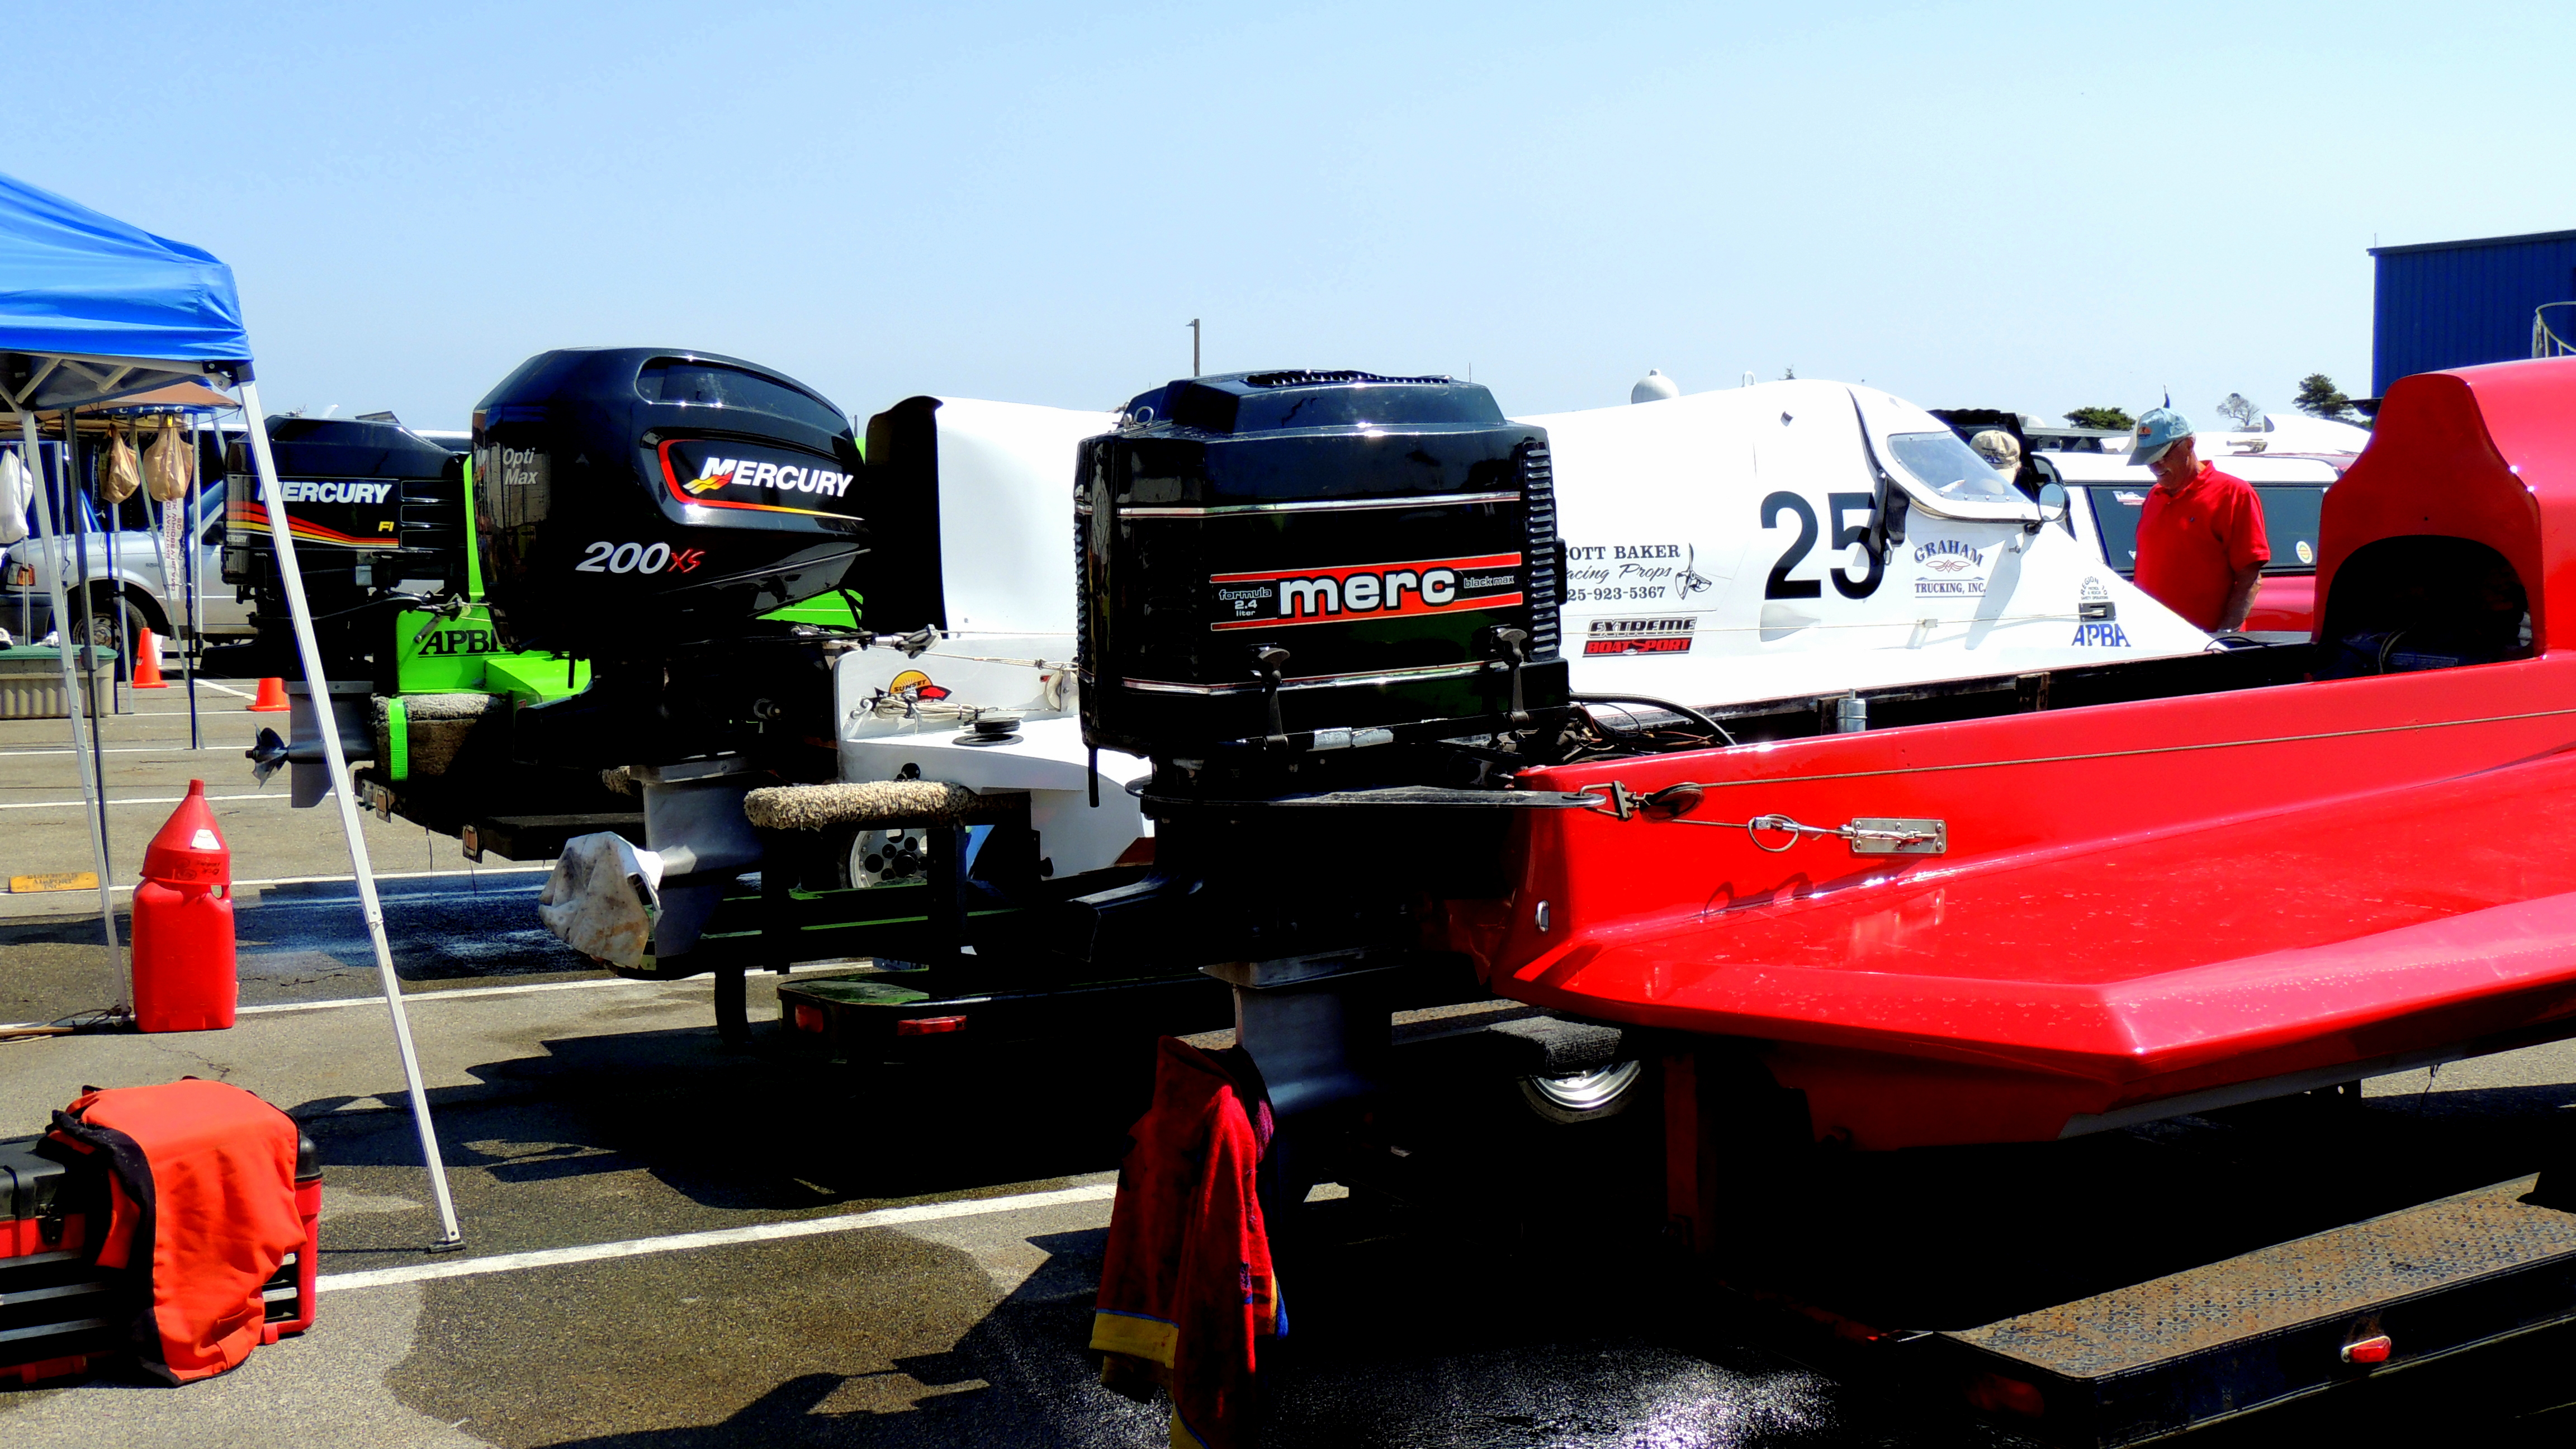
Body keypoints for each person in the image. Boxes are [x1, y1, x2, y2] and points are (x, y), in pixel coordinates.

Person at [2130, 408, 2267, 632]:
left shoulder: (2233, 493)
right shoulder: (2154, 496)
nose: (2156, 465)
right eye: (2149, 458)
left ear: (2189, 444)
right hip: (2153, 640)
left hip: (2204, 644)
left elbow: (2250, 578)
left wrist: (2222, 638)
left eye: (2163, 455)